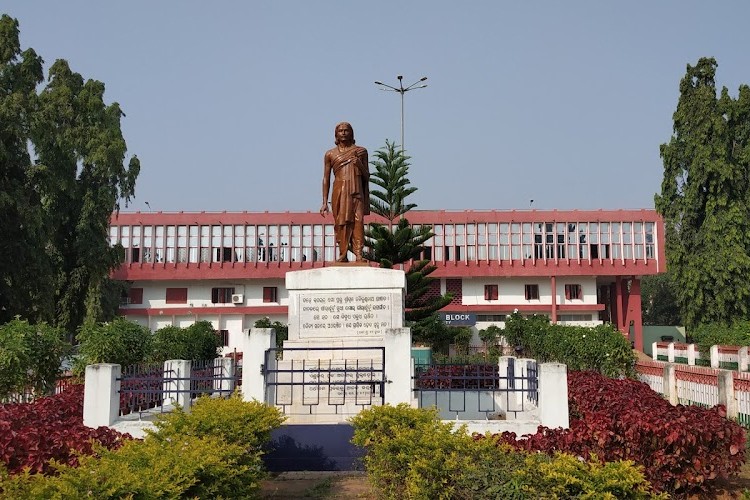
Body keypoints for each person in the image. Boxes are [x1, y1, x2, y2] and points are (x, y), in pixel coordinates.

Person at [320, 122, 369, 262]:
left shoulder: (361, 151)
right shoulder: (330, 154)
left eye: (346, 130)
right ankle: (343, 253)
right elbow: (326, 178)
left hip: (356, 191)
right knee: (341, 222)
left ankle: (359, 253)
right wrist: (324, 202)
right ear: (336, 134)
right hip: (339, 191)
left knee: (358, 221)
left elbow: (367, 176)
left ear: (351, 133)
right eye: (340, 131)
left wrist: (359, 164)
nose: (343, 133)